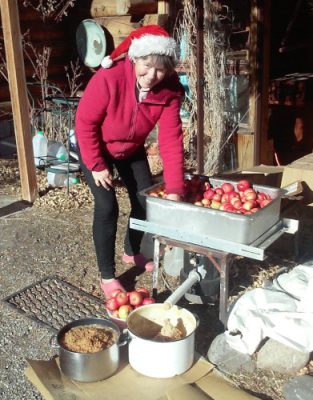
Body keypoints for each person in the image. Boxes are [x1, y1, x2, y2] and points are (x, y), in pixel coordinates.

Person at [75, 25, 185, 299]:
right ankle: (107, 275)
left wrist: (175, 188)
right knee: (106, 204)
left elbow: (171, 140)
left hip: (131, 148)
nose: (152, 76)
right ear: (135, 59)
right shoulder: (109, 78)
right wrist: (97, 164)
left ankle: (131, 251)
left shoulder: (170, 91)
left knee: (144, 200)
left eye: (160, 70)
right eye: (146, 66)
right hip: (96, 146)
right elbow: (85, 122)